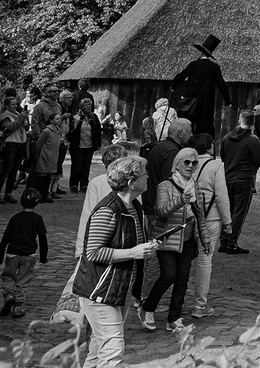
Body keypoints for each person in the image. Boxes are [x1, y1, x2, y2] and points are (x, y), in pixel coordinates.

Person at [75, 155, 157, 368]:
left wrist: (146, 248)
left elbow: (130, 244)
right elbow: (93, 252)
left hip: (120, 288)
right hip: (101, 290)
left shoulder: (134, 206)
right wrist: (133, 252)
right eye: (144, 174)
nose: (148, 177)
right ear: (131, 182)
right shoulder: (108, 210)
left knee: (98, 348)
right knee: (113, 350)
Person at [141, 146, 206, 332]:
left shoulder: (196, 186)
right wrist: (180, 200)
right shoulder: (165, 186)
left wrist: (206, 240)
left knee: (182, 279)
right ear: (177, 165)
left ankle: (174, 318)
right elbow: (160, 211)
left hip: (188, 241)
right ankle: (147, 308)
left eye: (194, 163)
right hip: (167, 240)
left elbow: (200, 215)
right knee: (169, 275)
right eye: (186, 162)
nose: (190, 166)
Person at [188, 133, 232, 319]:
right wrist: (228, 221)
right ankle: (200, 305)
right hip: (210, 218)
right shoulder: (216, 165)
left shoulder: (187, 164)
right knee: (205, 262)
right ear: (209, 146)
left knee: (183, 260)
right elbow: (222, 195)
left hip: (189, 217)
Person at [0, 187, 47, 318]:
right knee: (23, 280)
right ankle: (18, 306)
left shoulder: (15, 218)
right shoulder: (37, 219)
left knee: (8, 276)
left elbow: (5, 237)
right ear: (37, 203)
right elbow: (42, 238)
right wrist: (43, 257)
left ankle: (9, 295)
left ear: (21, 202)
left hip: (12, 253)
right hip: (29, 255)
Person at [219, 109, 260, 254]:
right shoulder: (252, 140)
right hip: (243, 178)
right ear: (253, 123)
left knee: (228, 210)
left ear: (239, 120)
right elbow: (259, 159)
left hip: (228, 177)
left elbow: (223, 157)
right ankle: (232, 243)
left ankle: (224, 241)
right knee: (239, 212)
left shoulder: (227, 137)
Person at [170, 34, 232, 137]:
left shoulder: (194, 64)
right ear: (209, 55)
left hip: (191, 102)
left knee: (187, 127)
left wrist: (174, 86)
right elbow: (221, 84)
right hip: (206, 103)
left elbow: (181, 76)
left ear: (201, 52)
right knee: (204, 129)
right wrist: (228, 101)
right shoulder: (214, 67)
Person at [144, 117, 192, 211]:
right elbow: (170, 183)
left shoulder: (160, 146)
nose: (191, 135)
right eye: (189, 132)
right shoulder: (172, 151)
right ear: (180, 133)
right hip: (163, 208)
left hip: (152, 202)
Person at [0, 90, 27, 204]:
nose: (15, 106)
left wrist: (24, 120)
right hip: (10, 145)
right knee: (6, 170)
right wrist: (21, 118)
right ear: (7, 106)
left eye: (16, 104)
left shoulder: (17, 114)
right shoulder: (4, 116)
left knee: (14, 171)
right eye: (12, 104)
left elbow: (25, 127)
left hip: (20, 144)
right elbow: (10, 128)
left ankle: (8, 193)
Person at [68, 98, 102, 192]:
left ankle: (84, 184)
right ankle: (74, 184)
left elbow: (98, 131)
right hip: (78, 145)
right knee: (77, 165)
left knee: (86, 165)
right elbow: (72, 130)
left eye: (89, 105)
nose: (88, 107)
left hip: (90, 145)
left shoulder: (93, 117)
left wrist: (98, 144)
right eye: (85, 105)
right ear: (81, 107)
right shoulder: (77, 116)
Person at [29, 112, 63, 202]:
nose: (59, 120)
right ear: (51, 120)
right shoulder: (47, 131)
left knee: (48, 177)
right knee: (41, 177)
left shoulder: (57, 130)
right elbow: (38, 144)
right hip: (45, 155)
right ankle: (39, 195)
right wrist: (37, 154)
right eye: (57, 119)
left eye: (59, 118)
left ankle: (45, 194)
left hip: (53, 156)